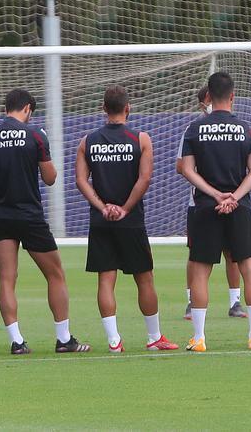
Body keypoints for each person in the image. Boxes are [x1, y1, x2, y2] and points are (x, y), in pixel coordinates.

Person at [0, 88, 88, 354]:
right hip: (29, 215)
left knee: (6, 278)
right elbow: (50, 178)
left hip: (1, 216)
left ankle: (16, 341)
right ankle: (63, 339)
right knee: (55, 274)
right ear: (27, 108)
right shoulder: (35, 135)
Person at [75, 86, 177, 353]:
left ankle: (114, 341)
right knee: (145, 278)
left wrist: (102, 207)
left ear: (103, 108)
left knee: (105, 280)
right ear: (128, 108)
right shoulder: (141, 139)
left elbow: (80, 181)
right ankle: (154, 337)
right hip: (131, 221)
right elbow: (144, 179)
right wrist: (125, 209)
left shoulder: (88, 140)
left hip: (101, 221)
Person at [179, 72, 251, 352]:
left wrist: (215, 194)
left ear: (208, 97)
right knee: (249, 269)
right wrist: (234, 197)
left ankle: (200, 338)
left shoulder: (194, 129)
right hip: (239, 207)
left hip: (205, 207)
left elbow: (187, 170)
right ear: (232, 96)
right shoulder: (246, 130)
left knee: (201, 273)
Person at [182, 86, 246, 321]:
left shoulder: (236, 128)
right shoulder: (194, 129)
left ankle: (235, 301)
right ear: (203, 104)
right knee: (196, 254)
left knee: (233, 253)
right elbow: (182, 166)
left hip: (231, 199)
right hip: (200, 202)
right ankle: (191, 301)